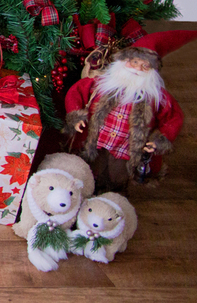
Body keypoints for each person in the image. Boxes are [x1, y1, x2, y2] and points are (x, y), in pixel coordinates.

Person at [65, 31, 193, 193]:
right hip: (94, 143)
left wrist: (160, 139)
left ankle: (111, 199)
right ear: (123, 61)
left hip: (124, 150)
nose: (137, 69)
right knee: (87, 170)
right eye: (134, 62)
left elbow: (174, 117)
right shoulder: (101, 85)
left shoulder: (157, 98)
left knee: (116, 178)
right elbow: (77, 92)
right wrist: (76, 115)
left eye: (145, 66)